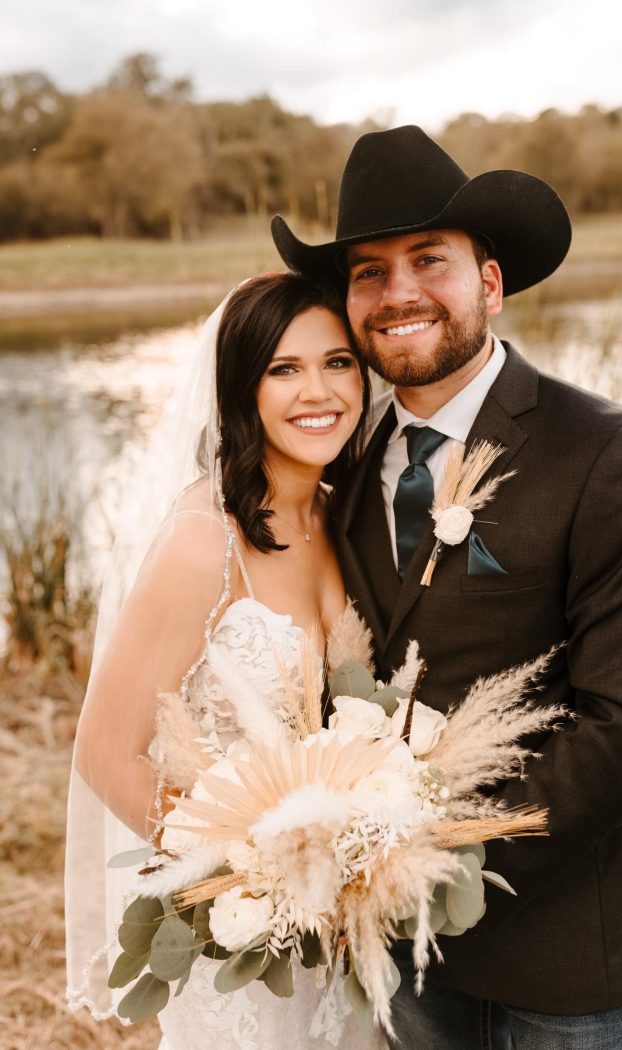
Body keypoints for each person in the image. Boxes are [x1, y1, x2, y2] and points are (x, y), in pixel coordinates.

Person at [270, 125, 622, 1049]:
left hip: (568, 953)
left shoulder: (614, 456)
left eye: (430, 260)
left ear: (491, 284)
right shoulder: (336, 462)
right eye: (369, 272)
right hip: (396, 950)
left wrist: (425, 859)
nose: (400, 294)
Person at [65, 272, 388, 1049]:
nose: (320, 391)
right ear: (243, 389)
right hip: (250, 934)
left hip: (347, 929)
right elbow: (106, 753)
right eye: (285, 369)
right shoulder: (204, 541)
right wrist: (250, 877)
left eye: (338, 362)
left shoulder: (340, 515)